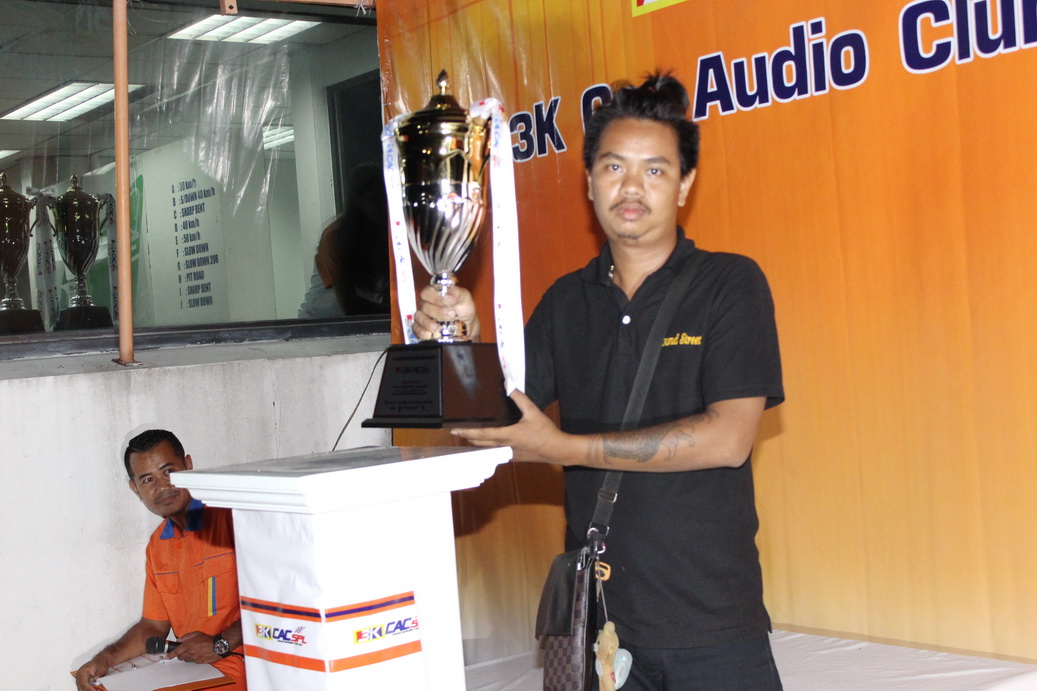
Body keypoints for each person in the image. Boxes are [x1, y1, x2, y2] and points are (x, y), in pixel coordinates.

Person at [415, 72, 784, 690]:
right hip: (600, 625)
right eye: (613, 167)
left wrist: (563, 448)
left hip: (713, 628)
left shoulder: (729, 284)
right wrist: (459, 339)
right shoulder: (567, 302)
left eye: (655, 170)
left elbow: (728, 440)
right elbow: (487, 422)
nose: (631, 187)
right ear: (589, 182)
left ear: (685, 184)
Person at [74, 429, 246, 690]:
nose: (163, 486)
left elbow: (280, 602)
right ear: (135, 488)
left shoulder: (233, 519)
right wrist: (103, 660)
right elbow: (153, 625)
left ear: (188, 465)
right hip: (190, 675)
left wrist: (221, 644)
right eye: (148, 479)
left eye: (169, 471)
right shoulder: (158, 545)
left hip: (246, 671)